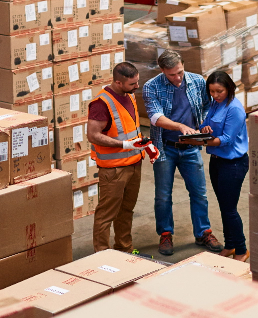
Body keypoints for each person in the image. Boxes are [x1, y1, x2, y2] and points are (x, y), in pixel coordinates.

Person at [142, 50, 224, 256]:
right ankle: (166, 234)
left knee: (199, 193)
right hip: (165, 147)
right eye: (172, 75)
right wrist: (180, 126)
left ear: (183, 65)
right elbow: (155, 117)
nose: (177, 78)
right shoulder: (152, 86)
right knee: (162, 195)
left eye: (180, 72)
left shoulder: (197, 81)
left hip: (191, 148)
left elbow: (208, 106)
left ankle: (203, 232)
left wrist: (205, 124)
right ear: (162, 71)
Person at [87, 62, 156, 253]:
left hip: (134, 164)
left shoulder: (129, 96)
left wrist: (146, 146)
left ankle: (124, 249)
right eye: (132, 84)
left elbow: (130, 130)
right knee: (107, 214)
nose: (137, 87)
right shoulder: (101, 103)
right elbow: (93, 135)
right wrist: (124, 145)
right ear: (118, 82)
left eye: (137, 82)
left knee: (126, 211)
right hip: (114, 169)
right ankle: (101, 254)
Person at [188, 71, 250, 262]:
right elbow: (206, 125)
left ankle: (241, 249)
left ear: (229, 88)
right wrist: (204, 130)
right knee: (224, 206)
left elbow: (227, 139)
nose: (215, 95)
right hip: (217, 161)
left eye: (219, 91)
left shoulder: (235, 109)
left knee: (230, 209)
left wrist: (201, 143)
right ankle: (229, 244)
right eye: (212, 91)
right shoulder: (216, 104)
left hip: (233, 164)